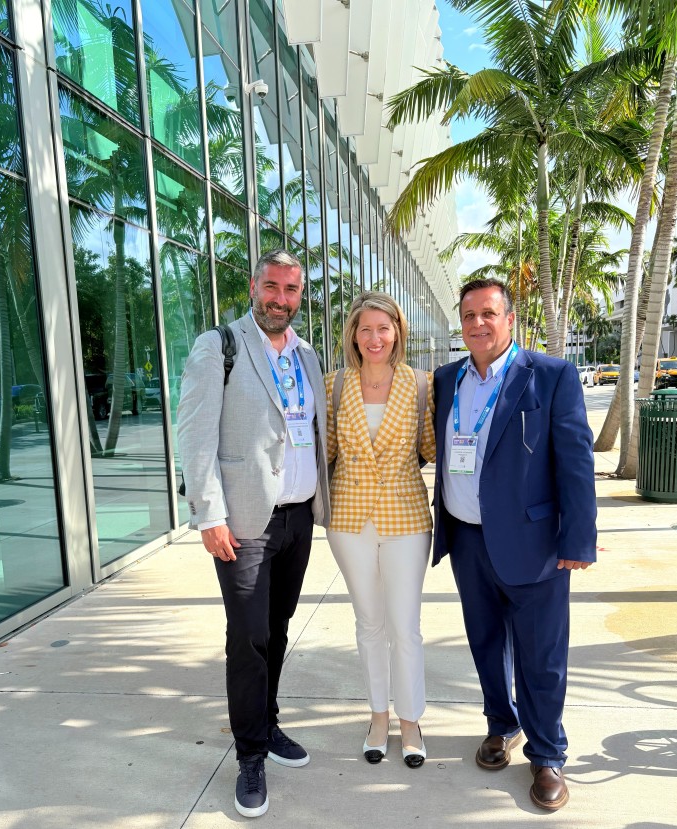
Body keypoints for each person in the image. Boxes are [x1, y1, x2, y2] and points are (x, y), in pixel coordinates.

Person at [432, 278, 596, 810]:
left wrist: (579, 538)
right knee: (485, 643)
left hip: (534, 544)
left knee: (540, 655)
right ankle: (501, 724)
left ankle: (547, 754)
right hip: (466, 538)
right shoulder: (446, 380)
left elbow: (575, 462)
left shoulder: (550, 375)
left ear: (509, 319)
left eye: (489, 313)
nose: (478, 323)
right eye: (469, 315)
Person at [177, 249, 330, 819]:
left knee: (278, 629)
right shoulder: (219, 345)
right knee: (248, 637)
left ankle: (268, 724)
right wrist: (208, 515)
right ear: (252, 287)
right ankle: (249, 756)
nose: (280, 299)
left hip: (297, 518)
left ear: (300, 295)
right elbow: (195, 435)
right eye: (272, 287)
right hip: (243, 522)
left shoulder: (307, 355)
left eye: (291, 290)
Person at [325, 291, 436, 769]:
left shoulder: (421, 384)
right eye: (365, 328)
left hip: (405, 518)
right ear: (353, 334)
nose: (375, 338)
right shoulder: (334, 385)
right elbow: (325, 451)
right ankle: (378, 717)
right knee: (368, 623)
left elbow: (430, 447)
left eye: (383, 328)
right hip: (349, 520)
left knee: (404, 626)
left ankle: (410, 721)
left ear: (397, 332)